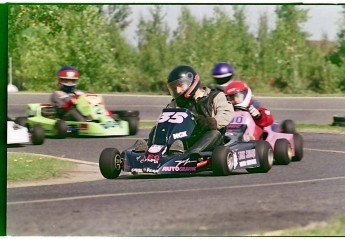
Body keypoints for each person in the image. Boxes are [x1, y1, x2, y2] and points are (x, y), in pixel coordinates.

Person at [135, 65, 235, 154]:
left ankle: (190, 155)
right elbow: (163, 119)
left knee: (214, 134)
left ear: (191, 82)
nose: (177, 91)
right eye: (174, 88)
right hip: (181, 139)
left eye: (180, 86)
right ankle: (149, 150)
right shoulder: (177, 102)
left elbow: (226, 114)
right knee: (155, 129)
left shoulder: (215, 96)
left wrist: (210, 122)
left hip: (207, 139)